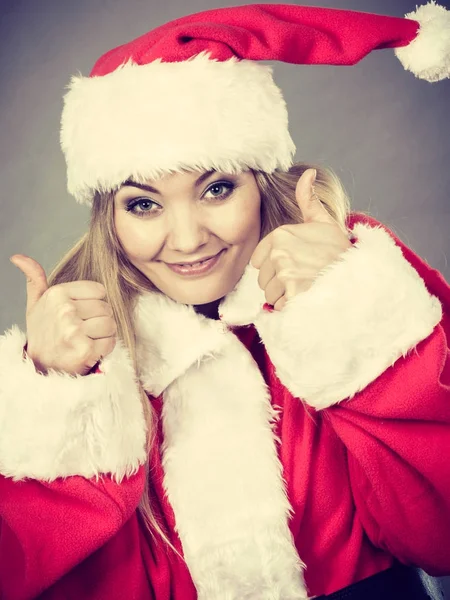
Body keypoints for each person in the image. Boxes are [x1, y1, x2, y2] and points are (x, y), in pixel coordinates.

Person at [1, 3, 450, 600]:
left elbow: (438, 534)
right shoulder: (82, 360)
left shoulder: (356, 284)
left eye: (216, 189)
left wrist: (350, 314)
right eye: (143, 204)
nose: (187, 240)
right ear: (108, 218)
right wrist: (55, 395)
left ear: (263, 183)